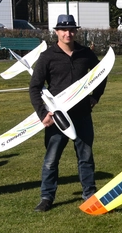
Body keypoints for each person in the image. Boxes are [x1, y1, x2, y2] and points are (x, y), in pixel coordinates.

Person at [29, 14, 107, 212]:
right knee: (51, 159)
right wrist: (43, 114)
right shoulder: (48, 56)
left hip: (82, 115)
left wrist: (95, 97)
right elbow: (34, 87)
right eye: (63, 30)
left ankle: (89, 194)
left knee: (86, 157)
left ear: (75, 32)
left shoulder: (85, 53)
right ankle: (46, 197)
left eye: (71, 30)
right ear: (57, 32)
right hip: (57, 118)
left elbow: (102, 73)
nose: (68, 33)